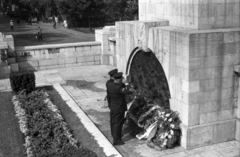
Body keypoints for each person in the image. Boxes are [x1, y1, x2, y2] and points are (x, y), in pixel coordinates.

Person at [107, 72, 133, 145]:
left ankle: (114, 135)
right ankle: (116, 140)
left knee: (114, 122)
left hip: (113, 106)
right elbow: (129, 91)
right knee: (118, 124)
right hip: (119, 108)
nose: (122, 79)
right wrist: (127, 83)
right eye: (121, 78)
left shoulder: (109, 85)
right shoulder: (119, 88)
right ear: (118, 80)